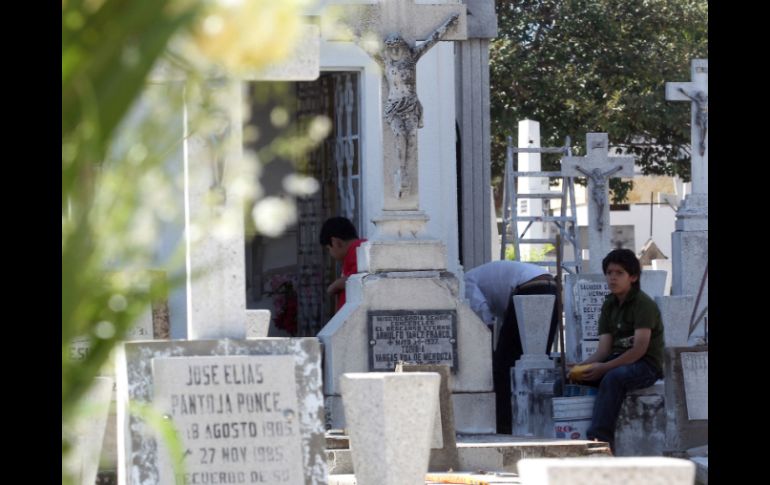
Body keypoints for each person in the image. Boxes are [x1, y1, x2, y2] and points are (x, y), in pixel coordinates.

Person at [568, 248, 665, 453]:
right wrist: (582, 366)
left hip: (646, 364)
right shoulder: (609, 304)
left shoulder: (643, 304)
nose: (612, 278)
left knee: (613, 377)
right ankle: (566, 437)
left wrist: (603, 368)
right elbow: (603, 350)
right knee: (570, 378)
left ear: (633, 277)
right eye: (609, 273)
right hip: (616, 359)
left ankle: (600, 441)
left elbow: (639, 349)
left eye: (619, 273)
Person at [464, 260, 561, 434]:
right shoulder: (483, 276)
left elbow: (484, 317)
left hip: (528, 288)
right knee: (538, 359)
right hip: (550, 286)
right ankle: (535, 420)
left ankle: (504, 425)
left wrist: (488, 355)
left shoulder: (466, 281)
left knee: (503, 365)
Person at [319, 217, 367, 313]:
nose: (330, 254)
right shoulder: (353, 251)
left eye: (329, 249)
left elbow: (362, 278)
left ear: (336, 243)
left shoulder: (358, 248)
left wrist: (334, 286)